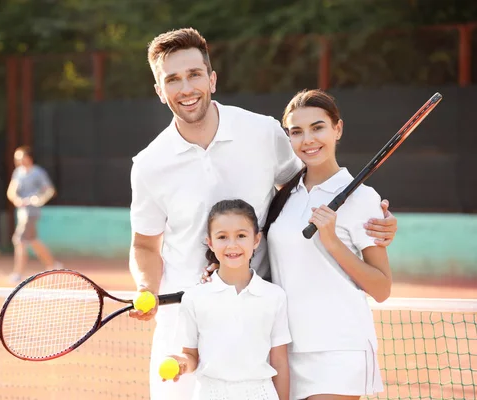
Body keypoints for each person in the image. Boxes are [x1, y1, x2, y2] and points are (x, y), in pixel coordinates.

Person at [128, 27, 397, 400]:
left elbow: (306, 186)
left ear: (212, 79)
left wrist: (369, 211)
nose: (186, 88)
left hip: (256, 323)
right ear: (160, 91)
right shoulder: (148, 164)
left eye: (194, 74)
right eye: (172, 79)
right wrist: (145, 286)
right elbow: (144, 245)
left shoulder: (263, 131)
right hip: (182, 325)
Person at [260, 89, 391, 400]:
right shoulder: (283, 196)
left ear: (338, 129)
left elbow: (382, 288)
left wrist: (332, 241)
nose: (308, 140)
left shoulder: (362, 199)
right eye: (297, 132)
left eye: (318, 127)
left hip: (339, 349)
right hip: (284, 350)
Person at [165, 199, 290, 400]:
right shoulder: (194, 298)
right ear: (210, 243)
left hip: (261, 394)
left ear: (256, 240)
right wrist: (181, 363)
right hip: (210, 393)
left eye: (241, 235)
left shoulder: (275, 296)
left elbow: (280, 362)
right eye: (222, 237)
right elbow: (190, 355)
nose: (232, 245)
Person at [6, 146, 61, 283]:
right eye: (16, 158)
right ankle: (53, 265)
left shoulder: (38, 173)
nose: (18, 161)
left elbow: (49, 190)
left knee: (19, 240)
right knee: (33, 241)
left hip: (31, 212)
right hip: (22, 212)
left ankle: (18, 273)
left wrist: (39, 200)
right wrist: (17, 200)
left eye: (21, 157)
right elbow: (11, 191)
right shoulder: (18, 173)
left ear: (28, 158)